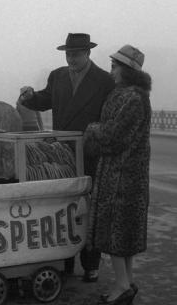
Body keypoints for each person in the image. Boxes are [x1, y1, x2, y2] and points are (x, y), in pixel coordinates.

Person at [18, 33, 115, 282]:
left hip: (90, 154)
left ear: (88, 53)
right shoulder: (58, 76)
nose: (70, 58)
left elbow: (110, 118)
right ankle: (65, 260)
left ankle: (91, 264)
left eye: (76, 54)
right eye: (68, 54)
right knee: (62, 210)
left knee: (88, 210)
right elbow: (44, 99)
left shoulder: (104, 80)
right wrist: (30, 97)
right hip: (61, 155)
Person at [83, 45, 151, 304]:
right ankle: (128, 282)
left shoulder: (130, 98)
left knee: (114, 233)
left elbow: (113, 136)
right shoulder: (135, 95)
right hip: (127, 175)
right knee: (125, 235)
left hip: (121, 178)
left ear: (127, 71)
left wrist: (91, 130)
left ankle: (121, 285)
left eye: (114, 67)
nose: (111, 72)